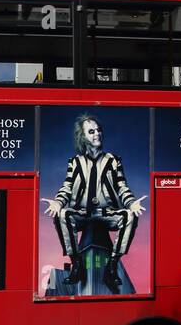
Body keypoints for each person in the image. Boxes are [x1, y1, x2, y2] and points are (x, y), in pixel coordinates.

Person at [44, 113, 145, 287]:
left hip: (107, 214)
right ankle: (77, 264)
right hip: (82, 214)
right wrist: (58, 202)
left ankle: (111, 267)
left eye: (98, 130)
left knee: (130, 216)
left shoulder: (113, 160)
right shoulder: (75, 162)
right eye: (91, 131)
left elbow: (122, 187)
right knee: (62, 215)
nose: (97, 134)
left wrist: (131, 203)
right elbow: (67, 188)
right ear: (83, 137)